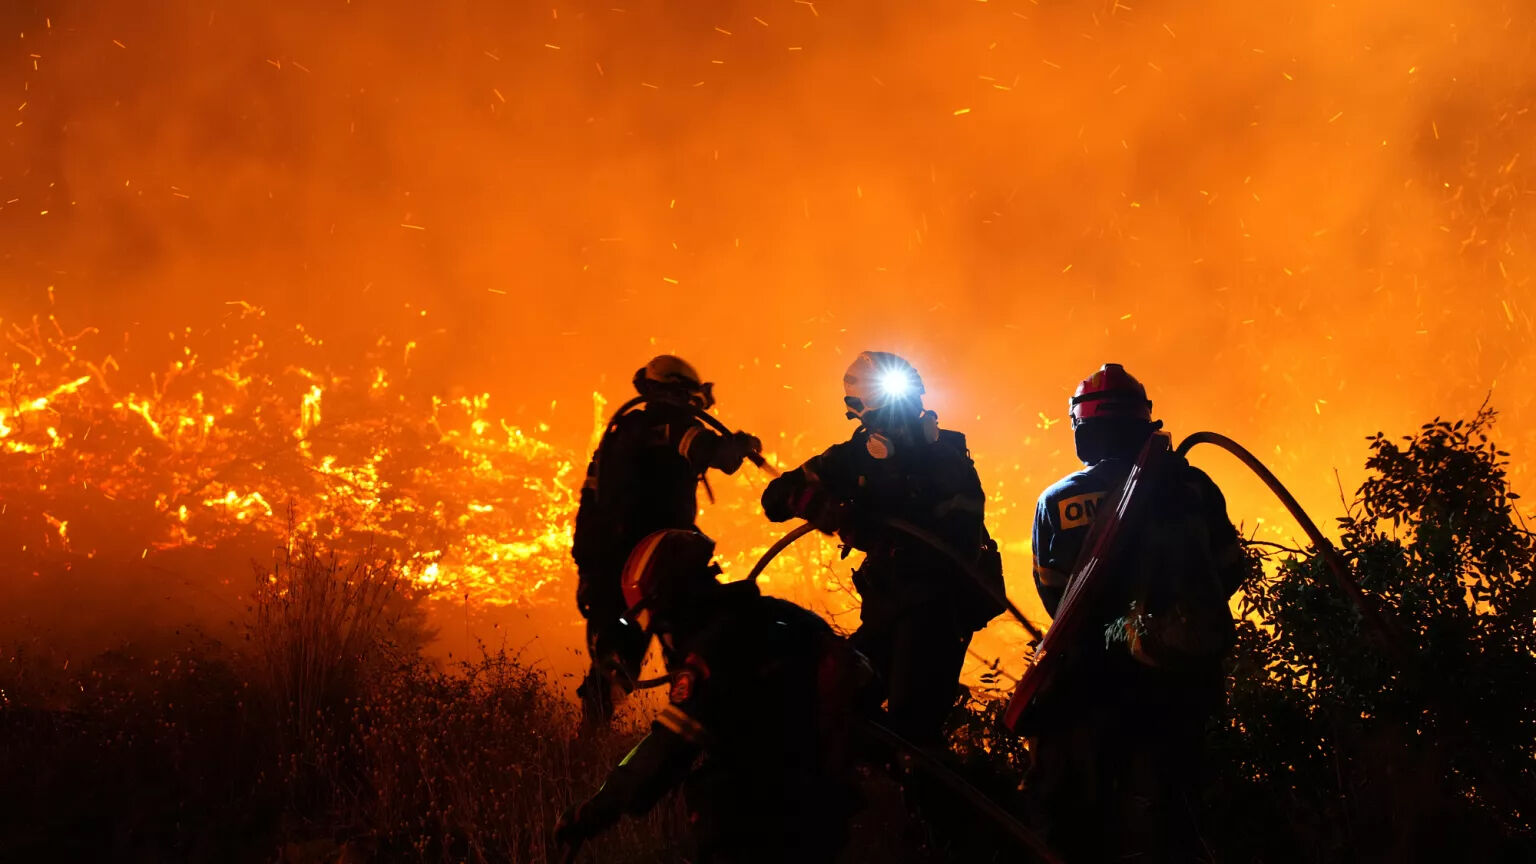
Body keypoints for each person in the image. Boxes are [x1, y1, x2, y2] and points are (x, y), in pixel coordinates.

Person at [1028, 363, 1249, 863]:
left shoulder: (1058, 500)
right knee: (1178, 818)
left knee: (1076, 821)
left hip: (1091, 687)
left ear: (1083, 428)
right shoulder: (1193, 487)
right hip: (1184, 681)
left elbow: (1055, 598)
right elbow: (1227, 571)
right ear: (1142, 420)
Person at [555, 529, 859, 863]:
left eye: (655, 620)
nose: (659, 635)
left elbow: (670, 745)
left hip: (769, 812)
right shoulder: (768, 614)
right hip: (818, 799)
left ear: (675, 602)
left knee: (715, 792)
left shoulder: (713, 650)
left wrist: (597, 810)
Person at [761, 351, 1003, 747]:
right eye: (890, 410)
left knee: (912, 728)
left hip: (938, 608)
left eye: (909, 404)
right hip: (887, 608)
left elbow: (957, 543)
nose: (903, 420)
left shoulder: (947, 457)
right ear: (860, 414)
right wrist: (812, 503)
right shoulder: (849, 458)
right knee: (837, 697)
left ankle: (943, 799)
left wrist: (869, 527)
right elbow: (775, 499)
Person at [571, 355, 762, 726]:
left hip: (614, 565)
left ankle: (589, 749)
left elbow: (589, 507)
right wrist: (739, 445)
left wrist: (588, 570)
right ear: (680, 393)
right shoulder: (666, 427)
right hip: (660, 568)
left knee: (615, 659)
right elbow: (711, 450)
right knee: (695, 652)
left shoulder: (624, 433)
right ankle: (692, 739)